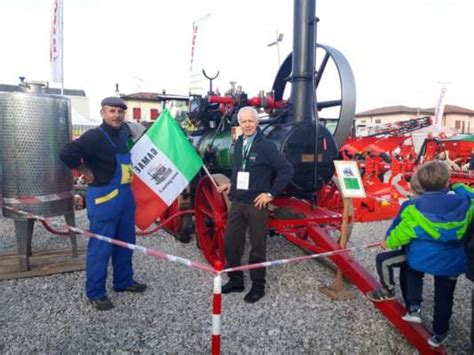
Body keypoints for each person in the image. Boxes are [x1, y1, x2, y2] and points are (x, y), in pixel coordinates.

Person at [60, 97, 146, 311]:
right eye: (112, 111)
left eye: (120, 111)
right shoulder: (94, 136)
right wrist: (85, 171)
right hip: (105, 198)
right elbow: (66, 153)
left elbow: (140, 131)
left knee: (126, 242)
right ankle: (96, 292)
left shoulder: (124, 133)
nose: (116, 115)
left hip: (126, 198)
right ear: (102, 113)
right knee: (101, 247)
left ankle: (123, 281)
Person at [382, 160, 472, 348]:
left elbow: (400, 234)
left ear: (421, 183)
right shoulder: (467, 203)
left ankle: (414, 308)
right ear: (447, 181)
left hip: (422, 260)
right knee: (444, 297)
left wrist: (388, 242)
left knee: (412, 271)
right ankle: (439, 333)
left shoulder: (414, 208)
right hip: (452, 263)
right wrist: (461, 187)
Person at [217, 106, 294, 303]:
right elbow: (241, 170)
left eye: (251, 121)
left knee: (257, 247)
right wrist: (231, 184)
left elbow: (287, 170)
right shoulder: (239, 143)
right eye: (244, 121)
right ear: (239, 124)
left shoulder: (266, 146)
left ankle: (258, 286)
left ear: (257, 122)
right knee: (231, 244)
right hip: (238, 202)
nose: (247, 124)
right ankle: (236, 281)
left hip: (256, 205)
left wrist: (270, 194)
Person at [366, 174, 424, 304]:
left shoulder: (409, 205)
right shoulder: (440, 206)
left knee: (384, 261)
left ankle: (389, 291)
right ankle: (413, 307)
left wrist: (389, 241)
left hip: (412, 250)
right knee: (415, 276)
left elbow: (398, 226)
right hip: (431, 252)